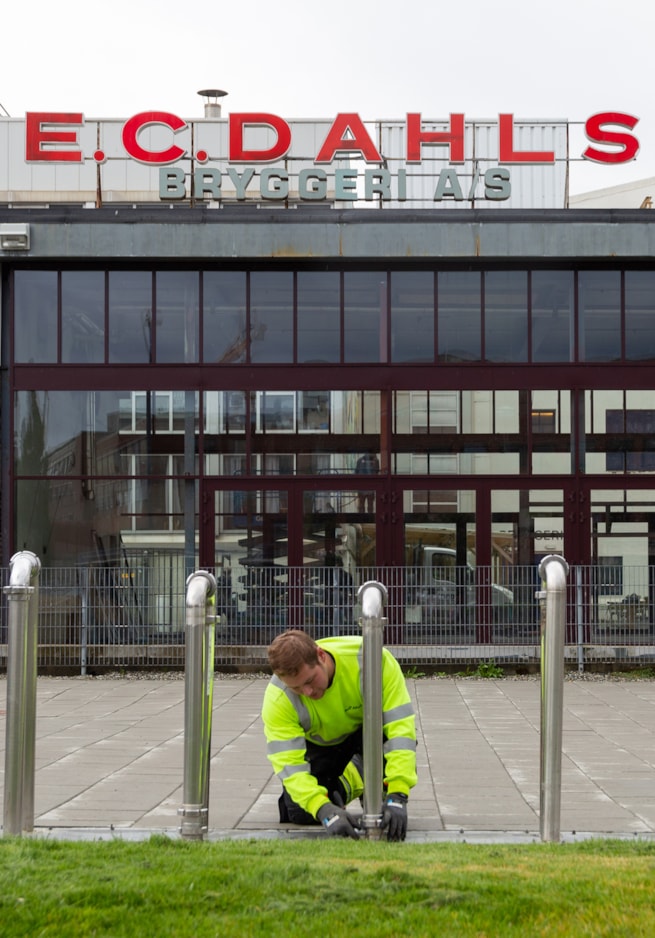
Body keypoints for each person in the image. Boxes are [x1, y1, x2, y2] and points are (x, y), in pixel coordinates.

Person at [261, 629, 417, 840]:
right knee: (299, 812)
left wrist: (398, 794)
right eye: (296, 688)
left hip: (369, 735)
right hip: (324, 744)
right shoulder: (278, 698)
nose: (307, 692)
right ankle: (356, 777)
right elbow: (289, 766)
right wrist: (323, 809)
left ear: (321, 656)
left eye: (310, 680)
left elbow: (401, 731)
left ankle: (375, 776)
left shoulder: (372, 660)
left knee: (391, 739)